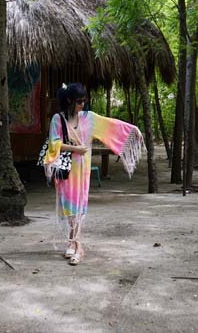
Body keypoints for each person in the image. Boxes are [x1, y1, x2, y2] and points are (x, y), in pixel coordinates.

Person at [42, 82, 144, 266]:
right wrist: (76, 148)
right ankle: (72, 243)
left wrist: (132, 130)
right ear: (69, 101)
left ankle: (77, 245)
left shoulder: (89, 118)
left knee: (79, 206)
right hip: (66, 169)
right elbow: (53, 143)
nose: (83, 104)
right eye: (79, 101)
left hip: (83, 169)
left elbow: (111, 125)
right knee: (69, 207)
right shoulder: (58, 119)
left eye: (84, 100)